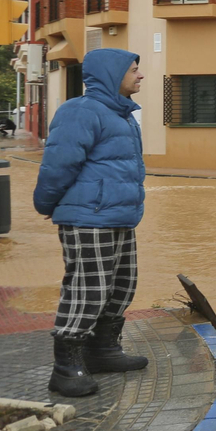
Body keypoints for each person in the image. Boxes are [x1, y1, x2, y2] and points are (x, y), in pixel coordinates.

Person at [33, 48, 148, 398]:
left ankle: (103, 351)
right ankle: (66, 367)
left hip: (119, 216)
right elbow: (58, 164)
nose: (140, 75)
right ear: (113, 75)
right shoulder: (80, 111)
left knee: (123, 285)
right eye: (133, 70)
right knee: (88, 289)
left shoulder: (124, 115)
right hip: (88, 219)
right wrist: (46, 204)